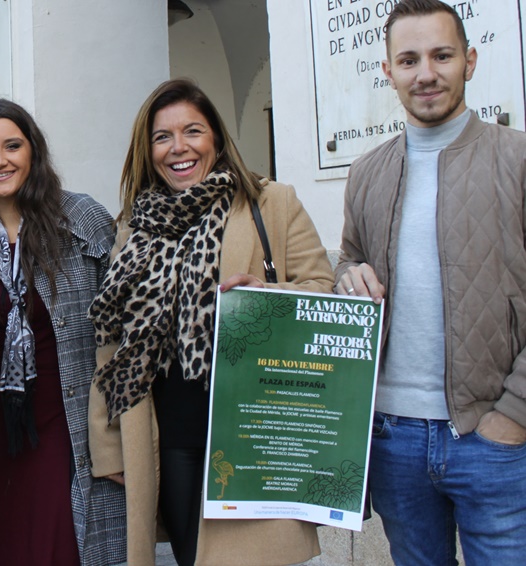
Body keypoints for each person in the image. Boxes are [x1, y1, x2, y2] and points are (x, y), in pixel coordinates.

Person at [87, 78, 333, 565]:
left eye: (192, 131)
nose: (179, 148)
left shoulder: (272, 203)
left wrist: (268, 297)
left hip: (256, 437)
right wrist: (108, 443)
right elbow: (110, 344)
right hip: (173, 440)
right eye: (163, 137)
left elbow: (322, 292)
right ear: (147, 148)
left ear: (216, 138)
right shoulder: (133, 227)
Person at [336, 1, 526, 563]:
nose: (426, 73)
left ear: (469, 61)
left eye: (442, 55)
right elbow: (348, 259)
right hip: (394, 440)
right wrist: (348, 276)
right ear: (387, 72)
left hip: (491, 438)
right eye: (409, 59)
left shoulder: (516, 159)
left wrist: (513, 416)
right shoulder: (367, 171)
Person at [0, 99, 126, 566]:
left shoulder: (82, 218)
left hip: (68, 417)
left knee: (67, 542)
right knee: (12, 545)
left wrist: (123, 433)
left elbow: (124, 324)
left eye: (12, 145)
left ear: (33, 150)